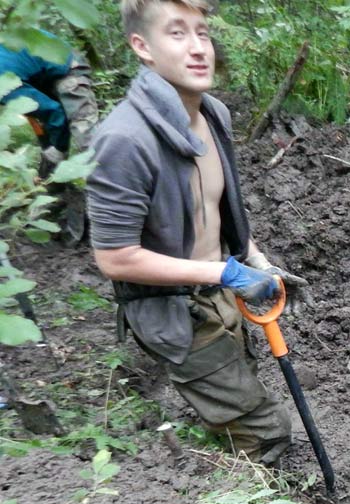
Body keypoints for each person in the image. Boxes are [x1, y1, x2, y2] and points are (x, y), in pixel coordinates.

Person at [87, 0, 309, 464]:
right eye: (177, 33)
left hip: (222, 286)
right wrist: (222, 275)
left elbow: (221, 210)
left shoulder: (214, 117)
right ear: (141, 46)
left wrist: (257, 261)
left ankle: (227, 419)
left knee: (240, 376)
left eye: (202, 33)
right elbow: (114, 257)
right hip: (173, 308)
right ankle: (246, 499)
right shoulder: (125, 140)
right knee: (267, 430)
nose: (197, 48)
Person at [1, 33, 99, 239]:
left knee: (89, 144)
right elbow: (34, 113)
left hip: (65, 65)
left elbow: (54, 112)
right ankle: (52, 196)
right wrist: (48, 146)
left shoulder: (2, 83)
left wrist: (58, 148)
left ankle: (105, 208)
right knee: (50, 147)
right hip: (39, 74)